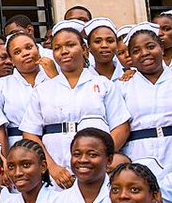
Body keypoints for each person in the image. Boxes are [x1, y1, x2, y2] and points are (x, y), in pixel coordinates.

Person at [19, 21, 130, 187]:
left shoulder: (103, 84)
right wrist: (52, 167)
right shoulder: (42, 90)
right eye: (57, 48)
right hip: (57, 169)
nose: (64, 51)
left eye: (70, 45)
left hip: (98, 169)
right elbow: (30, 133)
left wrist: (100, 157)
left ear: (84, 49)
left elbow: (121, 127)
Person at [119, 23, 172, 175]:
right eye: (136, 51)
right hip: (139, 153)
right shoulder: (121, 87)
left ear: (162, 49)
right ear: (130, 57)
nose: (144, 53)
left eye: (150, 47)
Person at [0, 32, 51, 146]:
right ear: (11, 60)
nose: (25, 53)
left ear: (38, 49)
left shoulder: (54, 78)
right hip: (17, 145)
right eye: (17, 52)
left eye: (29, 47)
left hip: (52, 141)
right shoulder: (1, 86)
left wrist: (54, 77)